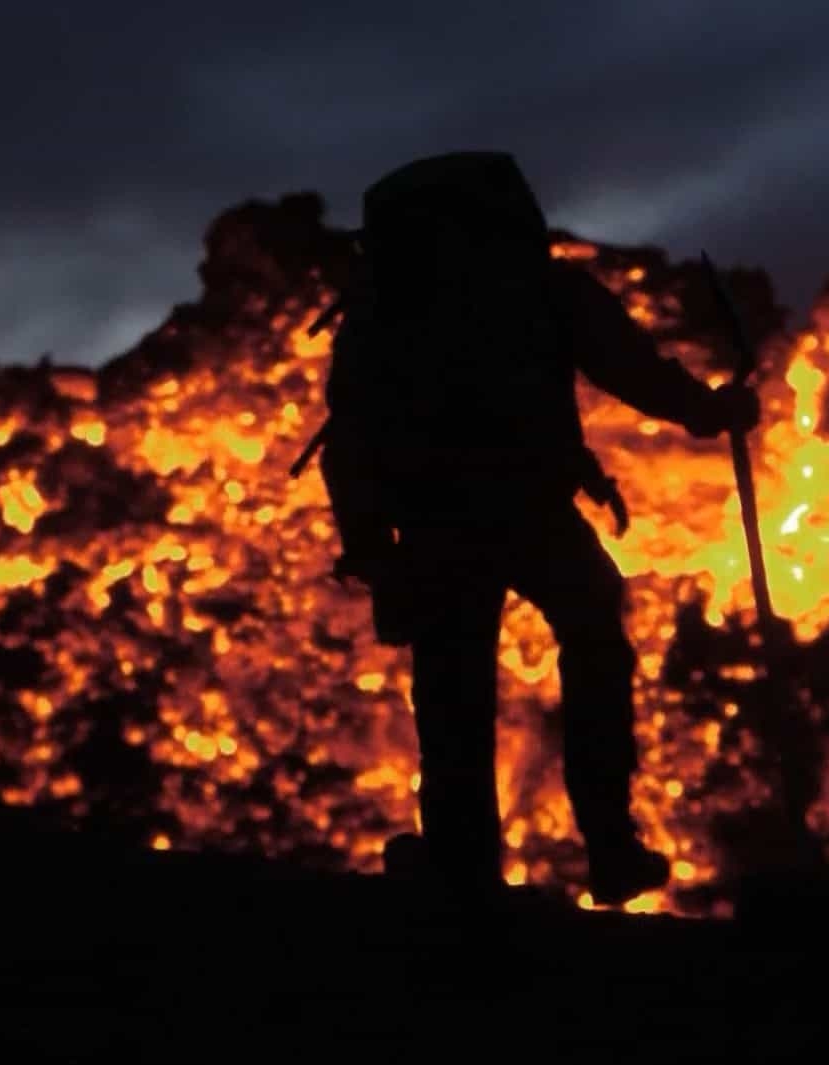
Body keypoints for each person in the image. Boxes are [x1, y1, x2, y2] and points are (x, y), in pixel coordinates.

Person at [315, 151, 760, 905]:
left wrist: (371, 546)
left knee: (457, 692)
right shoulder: (538, 292)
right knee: (588, 642)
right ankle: (606, 843)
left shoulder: (388, 312)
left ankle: (467, 872)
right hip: (521, 513)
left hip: (443, 528)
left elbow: (349, 441)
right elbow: (632, 368)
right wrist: (709, 411)